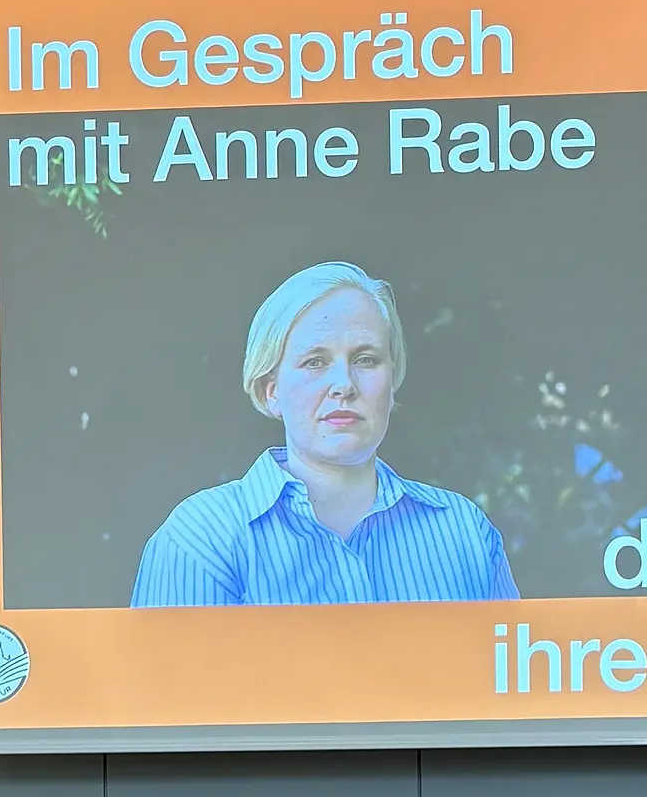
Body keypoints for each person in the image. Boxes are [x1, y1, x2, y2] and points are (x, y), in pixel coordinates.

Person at [130, 259, 518, 607]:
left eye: (365, 359)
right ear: (271, 391)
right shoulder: (201, 539)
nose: (344, 385)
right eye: (315, 362)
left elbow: (514, 667)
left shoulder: (465, 532)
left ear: (391, 384)